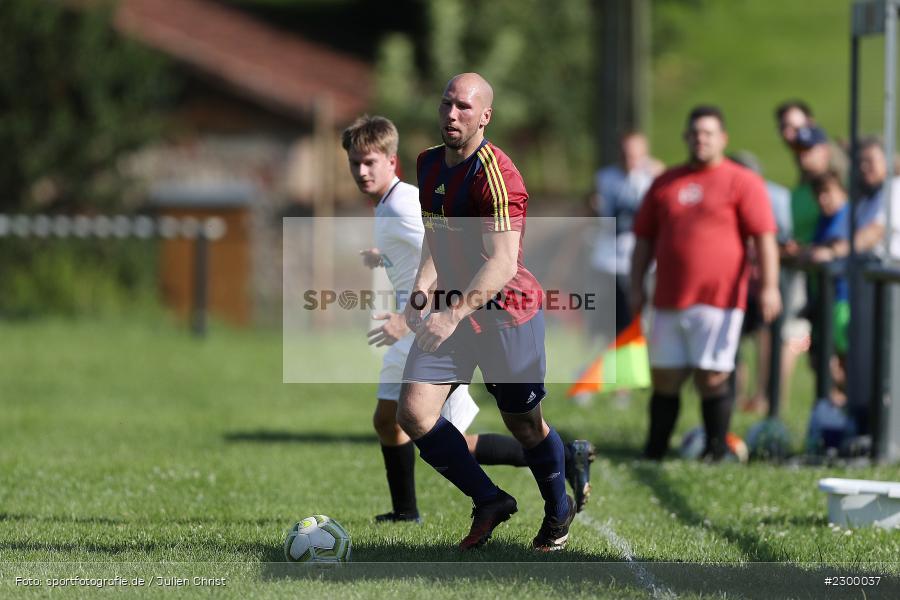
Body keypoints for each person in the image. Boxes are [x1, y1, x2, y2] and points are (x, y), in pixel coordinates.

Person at [341, 114, 593, 527]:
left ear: (391, 160)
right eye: (355, 163)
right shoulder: (390, 203)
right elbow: (429, 247)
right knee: (398, 420)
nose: (361, 171)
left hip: (441, 321)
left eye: (369, 162)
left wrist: (407, 317)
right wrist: (384, 260)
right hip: (427, 319)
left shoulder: (404, 202)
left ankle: (559, 459)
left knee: (438, 429)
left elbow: (444, 247)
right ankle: (410, 511)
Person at [398, 73, 578, 551]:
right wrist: (421, 287)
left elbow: (502, 264)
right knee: (414, 412)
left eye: (463, 106)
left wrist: (450, 315)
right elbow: (436, 234)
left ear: (485, 117)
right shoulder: (428, 164)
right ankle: (490, 500)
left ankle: (559, 510)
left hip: (505, 315)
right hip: (453, 312)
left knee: (525, 425)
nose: (451, 114)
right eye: (446, 104)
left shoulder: (497, 175)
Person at [630, 105, 782, 461]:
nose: (701, 139)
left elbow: (764, 237)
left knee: (713, 376)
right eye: (695, 133)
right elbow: (644, 239)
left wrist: (770, 286)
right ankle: (654, 450)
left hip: (720, 300)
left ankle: (716, 451)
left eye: (709, 133)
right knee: (665, 377)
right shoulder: (665, 182)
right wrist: (636, 286)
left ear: (722, 139)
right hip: (668, 298)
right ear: (686, 137)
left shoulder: (742, 181)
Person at [592, 132, 664, 335]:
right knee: (612, 319)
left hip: (642, 259)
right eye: (626, 154)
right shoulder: (605, 178)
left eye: (635, 155)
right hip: (610, 259)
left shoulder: (653, 178)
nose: (630, 160)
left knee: (641, 317)